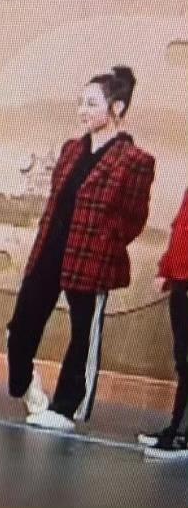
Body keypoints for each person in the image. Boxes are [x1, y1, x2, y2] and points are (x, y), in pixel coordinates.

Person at [6, 65, 154, 431]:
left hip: (91, 257)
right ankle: (28, 388)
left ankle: (66, 408)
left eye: (91, 104)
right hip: (50, 250)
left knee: (83, 334)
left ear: (116, 108)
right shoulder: (71, 149)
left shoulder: (135, 160)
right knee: (20, 327)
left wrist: (104, 241)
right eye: (80, 103)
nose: (82, 111)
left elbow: (133, 218)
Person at [141, 186, 188, 459]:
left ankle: (181, 434)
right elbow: (180, 228)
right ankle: (176, 427)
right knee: (183, 359)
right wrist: (166, 268)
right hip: (181, 281)